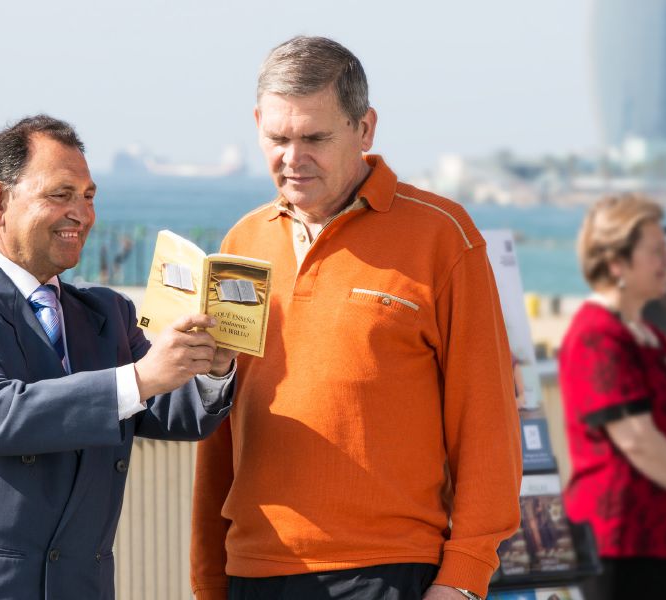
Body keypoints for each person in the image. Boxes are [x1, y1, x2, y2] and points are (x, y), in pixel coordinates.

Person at [190, 36, 522, 600]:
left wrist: (463, 579)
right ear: (256, 124)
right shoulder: (241, 242)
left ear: (364, 129)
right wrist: (206, 580)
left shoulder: (444, 236)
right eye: (277, 138)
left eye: (315, 137)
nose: (292, 158)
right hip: (253, 571)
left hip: (387, 572)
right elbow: (219, 432)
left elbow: (488, 424)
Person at [0, 115, 237, 600]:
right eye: (61, 194)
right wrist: (139, 378)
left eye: (89, 196)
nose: (82, 213)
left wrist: (214, 366)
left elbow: (175, 414)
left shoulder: (107, 312)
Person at [558, 194, 666, 600]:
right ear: (617, 264)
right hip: (621, 542)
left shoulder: (651, 337)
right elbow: (636, 438)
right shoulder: (596, 335)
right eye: (657, 251)